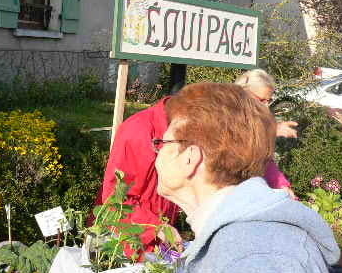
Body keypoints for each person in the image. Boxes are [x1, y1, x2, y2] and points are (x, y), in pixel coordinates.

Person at [157, 82, 342, 273]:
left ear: (190, 158)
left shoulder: (253, 254)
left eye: (163, 143)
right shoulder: (235, 240)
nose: (156, 154)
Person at [99, 69, 296, 253]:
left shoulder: (193, 126)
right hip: (123, 247)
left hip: (163, 244)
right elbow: (114, 201)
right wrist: (155, 227)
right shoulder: (139, 131)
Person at [234, 68, 297, 196]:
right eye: (261, 100)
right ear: (243, 92)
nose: (266, 106)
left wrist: (282, 186)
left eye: (268, 101)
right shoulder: (224, 114)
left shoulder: (258, 120)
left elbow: (265, 161)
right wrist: (270, 131)